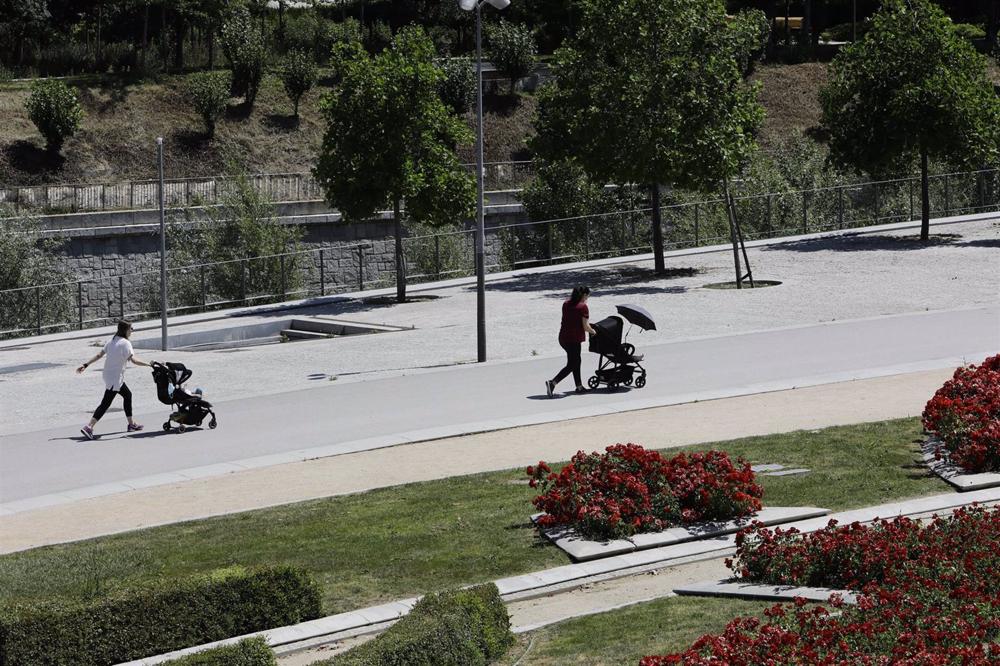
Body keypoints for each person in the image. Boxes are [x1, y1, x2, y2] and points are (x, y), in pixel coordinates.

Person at [76, 320, 155, 440]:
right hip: (115, 378)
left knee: (127, 395)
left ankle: (131, 424)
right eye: (131, 329)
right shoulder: (125, 343)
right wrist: (149, 364)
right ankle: (89, 427)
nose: (132, 331)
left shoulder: (112, 341)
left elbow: (99, 355)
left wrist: (85, 365)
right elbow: (134, 361)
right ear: (126, 330)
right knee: (105, 403)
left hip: (108, 375)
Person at [546, 285, 597, 397]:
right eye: (587, 296)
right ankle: (552, 383)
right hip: (574, 339)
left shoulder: (566, 304)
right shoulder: (583, 307)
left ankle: (579, 387)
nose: (587, 298)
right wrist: (594, 332)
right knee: (573, 363)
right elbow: (585, 327)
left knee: (576, 361)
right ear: (584, 295)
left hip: (563, 338)